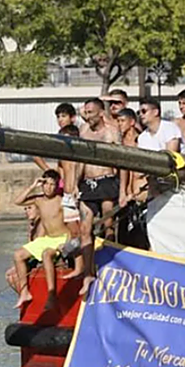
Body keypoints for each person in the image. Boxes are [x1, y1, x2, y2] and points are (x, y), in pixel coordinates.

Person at [74, 98, 121, 294]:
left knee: (108, 226)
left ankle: (111, 269)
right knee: (85, 229)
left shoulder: (111, 131)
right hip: (88, 183)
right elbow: (80, 160)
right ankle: (88, 273)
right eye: (85, 112)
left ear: (101, 113)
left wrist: (123, 190)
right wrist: (75, 183)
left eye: (91, 113)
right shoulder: (83, 130)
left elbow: (122, 162)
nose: (88, 116)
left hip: (107, 181)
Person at [10, 170, 73, 312]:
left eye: (52, 184)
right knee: (18, 255)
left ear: (56, 186)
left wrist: (67, 242)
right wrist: (33, 186)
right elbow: (18, 201)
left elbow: (72, 223)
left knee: (46, 254)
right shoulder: (38, 200)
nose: (48, 188)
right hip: (47, 239)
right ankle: (24, 292)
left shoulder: (61, 200)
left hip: (61, 238)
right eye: (46, 184)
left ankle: (52, 295)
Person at [34, 103, 81, 173]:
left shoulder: (81, 133)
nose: (60, 119)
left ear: (72, 118)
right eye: (58, 117)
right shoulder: (58, 137)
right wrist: (48, 170)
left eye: (63, 116)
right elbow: (36, 155)